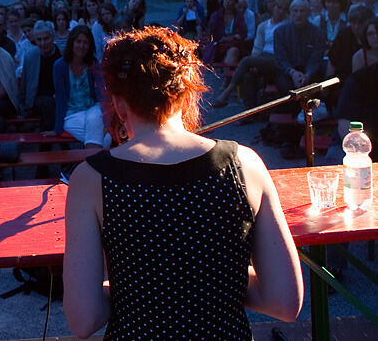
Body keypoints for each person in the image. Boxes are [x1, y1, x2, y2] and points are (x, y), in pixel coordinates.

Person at [63, 27, 303, 338]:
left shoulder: (91, 178)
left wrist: (142, 288)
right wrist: (207, 281)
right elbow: (284, 301)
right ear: (186, 93)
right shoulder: (244, 164)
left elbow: (84, 319)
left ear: (120, 104)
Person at [212, 0, 289, 108]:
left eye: (283, 9)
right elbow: (257, 47)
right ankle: (250, 112)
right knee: (248, 75)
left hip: (277, 58)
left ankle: (227, 91)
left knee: (246, 61)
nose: (280, 11)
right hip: (262, 57)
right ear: (274, 7)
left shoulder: (287, 26)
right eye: (278, 7)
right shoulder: (264, 26)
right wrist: (255, 61)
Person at [49, 26, 107, 147]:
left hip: (92, 109)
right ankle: (103, 147)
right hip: (72, 114)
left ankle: (90, 161)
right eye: (78, 41)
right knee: (105, 137)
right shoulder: (59, 66)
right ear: (72, 42)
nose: (81, 46)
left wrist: (108, 120)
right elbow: (60, 98)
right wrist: (57, 128)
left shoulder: (93, 63)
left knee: (94, 118)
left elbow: (101, 93)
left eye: (85, 43)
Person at [273, 0, 327, 94]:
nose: (299, 15)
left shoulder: (318, 33)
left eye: (302, 11)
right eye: (295, 11)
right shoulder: (280, 32)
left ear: (308, 13)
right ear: (290, 12)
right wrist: (292, 73)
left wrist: (307, 74)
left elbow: (316, 57)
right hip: (288, 72)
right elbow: (281, 58)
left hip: (310, 72)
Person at [21, 21, 62, 132]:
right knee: (47, 104)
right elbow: (25, 84)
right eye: (39, 40)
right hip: (38, 99)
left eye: (46, 38)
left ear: (53, 38)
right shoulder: (30, 57)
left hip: (60, 97)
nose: (43, 43)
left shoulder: (62, 54)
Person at [206, 0, 247, 66]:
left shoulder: (238, 16)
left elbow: (243, 32)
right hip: (219, 44)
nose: (228, 1)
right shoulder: (216, 15)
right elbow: (211, 31)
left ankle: (226, 72)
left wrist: (233, 37)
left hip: (233, 44)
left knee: (233, 51)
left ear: (234, 2)